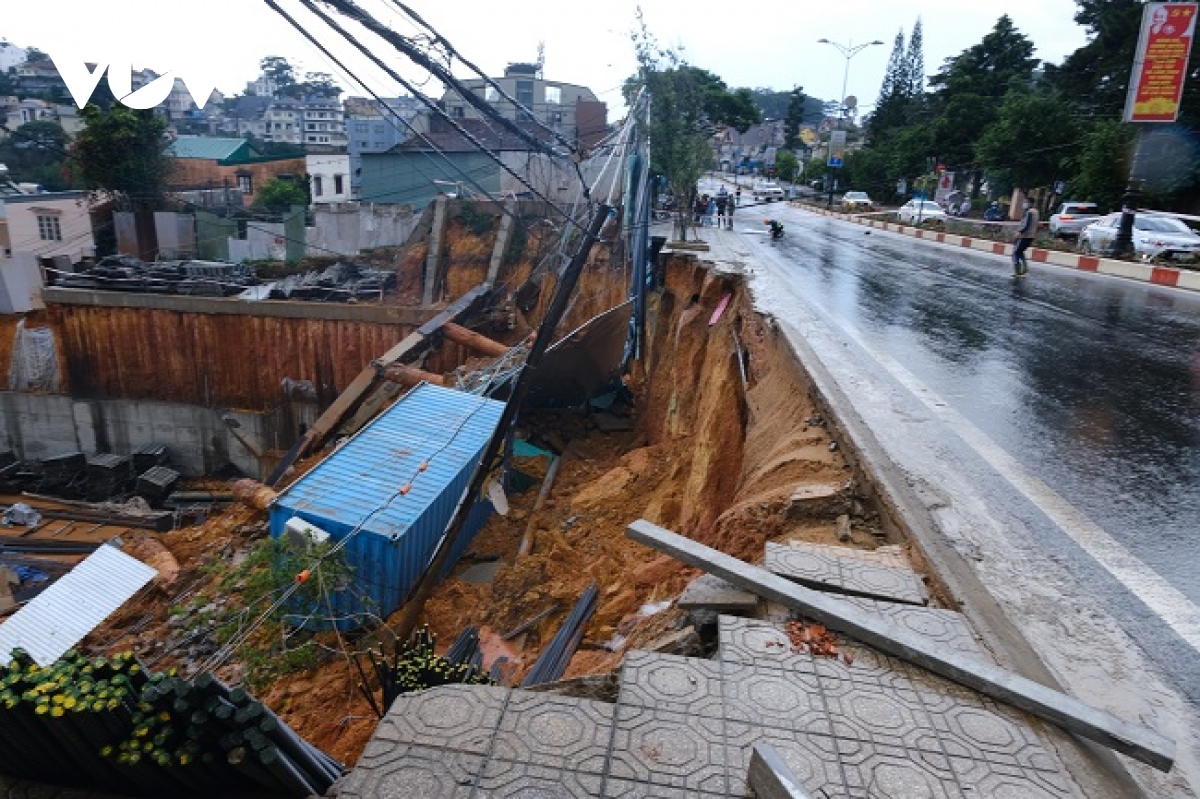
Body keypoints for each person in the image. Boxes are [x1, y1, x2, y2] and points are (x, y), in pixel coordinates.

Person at [1012, 200, 1039, 276]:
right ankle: (1024, 267)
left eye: (1026, 202)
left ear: (1031, 203)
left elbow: (1026, 224)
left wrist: (1019, 232)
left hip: (1024, 236)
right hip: (1031, 236)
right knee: (1020, 251)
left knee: (1015, 253)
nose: (1024, 204)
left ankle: (1018, 271)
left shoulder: (1029, 212)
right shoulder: (1036, 212)